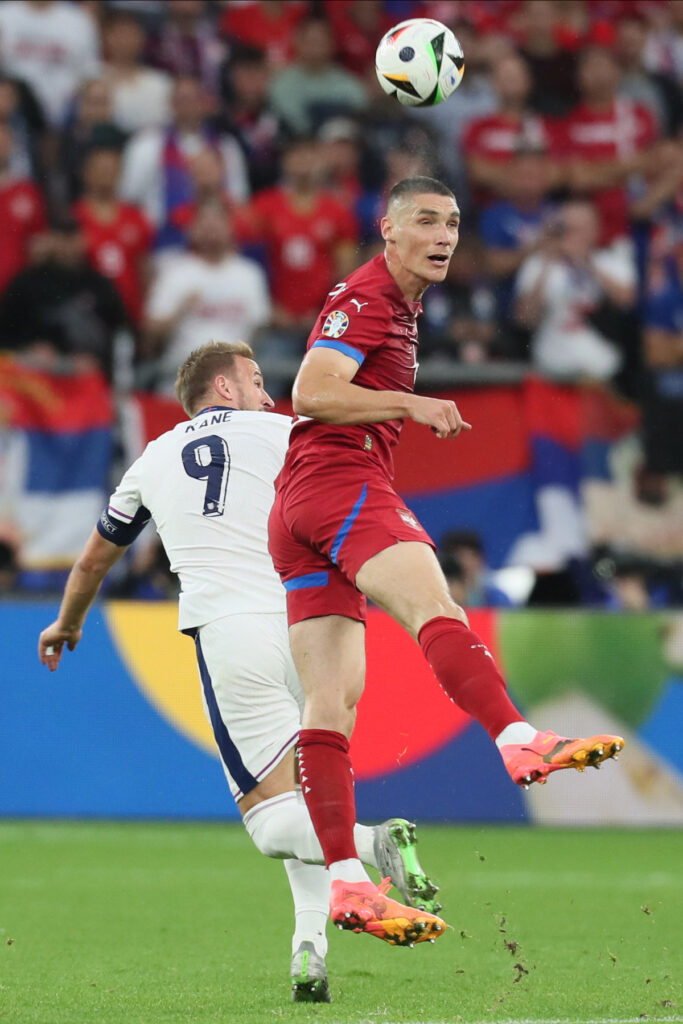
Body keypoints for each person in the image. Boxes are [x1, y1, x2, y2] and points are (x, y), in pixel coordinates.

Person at [267, 176, 625, 944]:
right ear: (387, 231)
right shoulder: (366, 300)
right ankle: (515, 738)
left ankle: (348, 885)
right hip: (339, 481)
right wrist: (411, 404)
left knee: (328, 705)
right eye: (425, 220)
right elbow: (311, 391)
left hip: (297, 509)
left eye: (453, 224)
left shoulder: (396, 303)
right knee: (438, 609)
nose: (442, 235)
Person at [37, 340, 442, 1002]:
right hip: (316, 626)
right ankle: (309, 952)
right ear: (222, 388)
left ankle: (374, 847)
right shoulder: (291, 434)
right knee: (310, 795)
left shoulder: (153, 458)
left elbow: (92, 561)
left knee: (268, 821)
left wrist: (69, 622)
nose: (266, 393)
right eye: (255, 381)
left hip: (234, 632)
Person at [143, 200, 270, 393]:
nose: (211, 229)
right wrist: (180, 312)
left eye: (217, 222)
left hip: (235, 384)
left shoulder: (249, 274)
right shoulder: (175, 272)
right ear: (192, 229)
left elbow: (259, 327)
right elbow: (151, 330)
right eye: (205, 222)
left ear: (230, 228)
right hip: (183, 382)